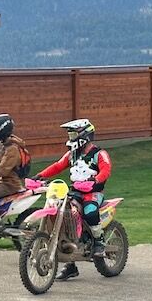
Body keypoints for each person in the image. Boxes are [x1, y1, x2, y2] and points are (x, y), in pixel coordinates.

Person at [33, 118, 112, 279]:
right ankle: (70, 265)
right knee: (64, 216)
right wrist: (41, 175)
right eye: (70, 135)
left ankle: (99, 242)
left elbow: (106, 169)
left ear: (85, 135)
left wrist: (96, 180)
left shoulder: (99, 154)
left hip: (92, 192)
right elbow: (58, 166)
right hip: (75, 191)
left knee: (90, 211)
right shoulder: (72, 154)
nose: (71, 138)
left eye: (73, 135)